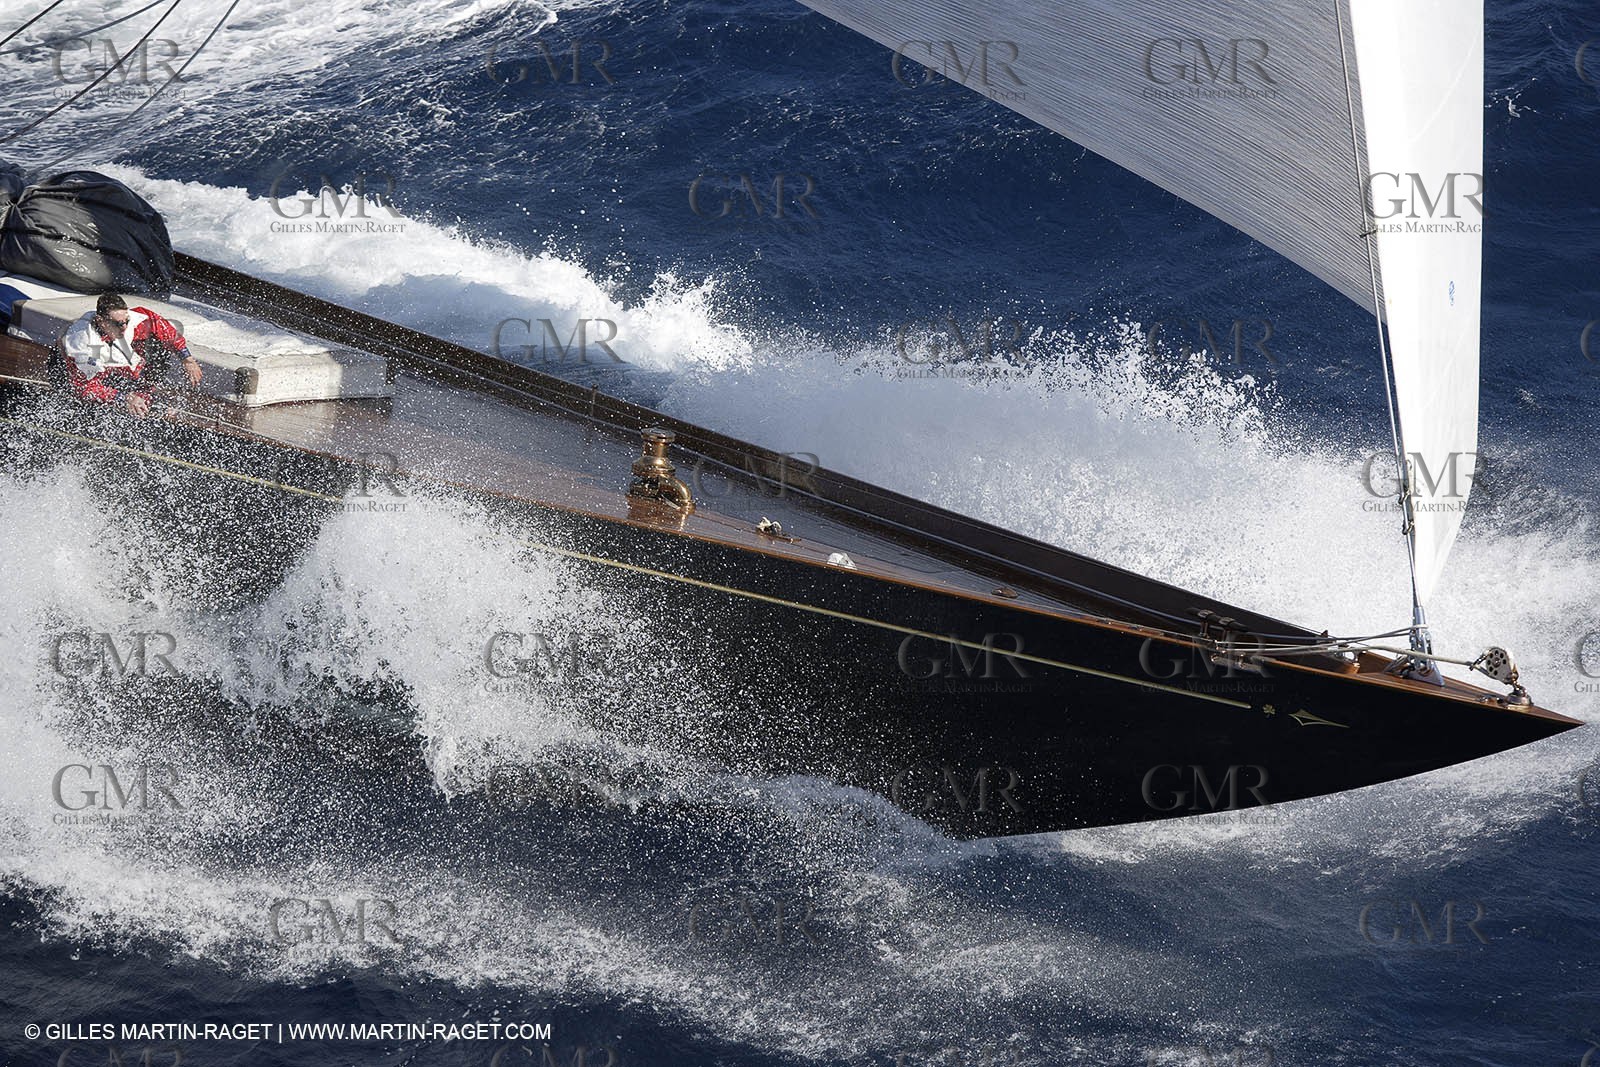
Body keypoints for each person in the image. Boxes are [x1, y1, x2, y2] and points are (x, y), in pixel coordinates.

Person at [60, 293, 202, 416]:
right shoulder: (86, 348)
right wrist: (122, 398)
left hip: (113, 365)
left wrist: (186, 358)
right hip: (72, 376)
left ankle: (147, 392)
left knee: (159, 342)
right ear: (100, 322)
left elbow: (158, 324)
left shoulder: (128, 321)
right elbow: (85, 388)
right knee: (93, 401)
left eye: (126, 321)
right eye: (118, 324)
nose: (124, 327)